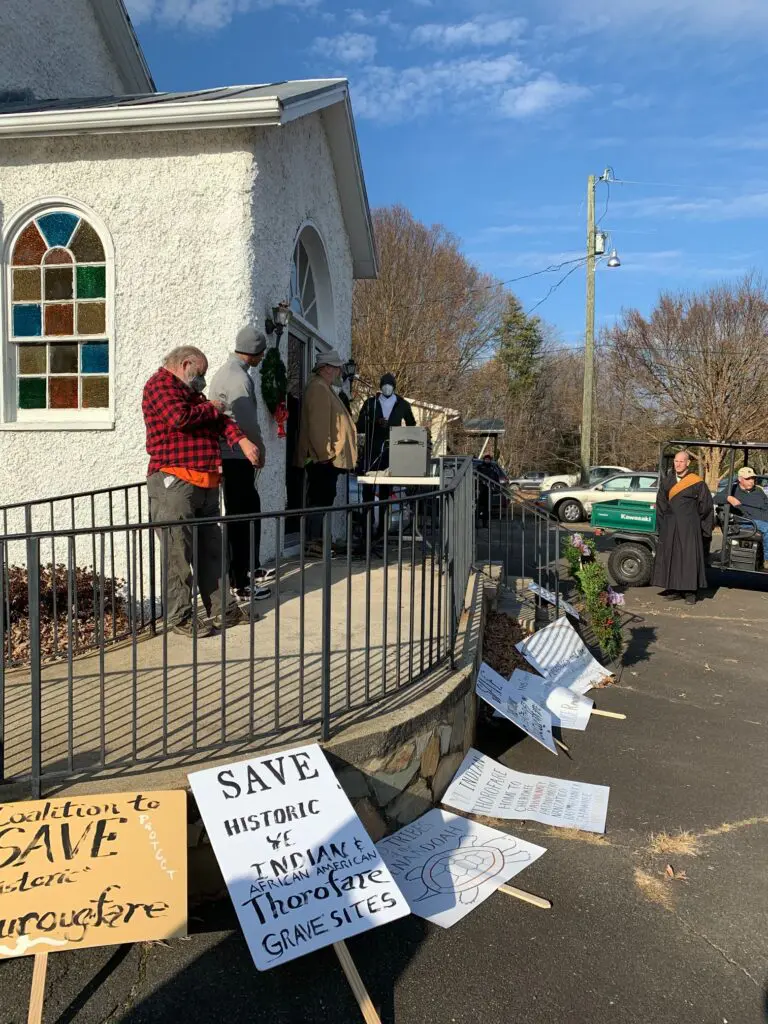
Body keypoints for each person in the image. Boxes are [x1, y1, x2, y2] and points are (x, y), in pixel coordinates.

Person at [142, 345, 260, 636]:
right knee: (177, 554)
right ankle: (180, 616)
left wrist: (243, 442)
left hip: (205, 483)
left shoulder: (191, 395)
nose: (203, 381)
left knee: (212, 552)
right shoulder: (159, 386)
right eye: (201, 373)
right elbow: (179, 419)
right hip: (174, 482)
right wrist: (212, 407)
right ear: (185, 364)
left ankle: (223, 610)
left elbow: (219, 421)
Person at [209, 326, 275, 601]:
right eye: (260, 354)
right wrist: (258, 450)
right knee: (241, 518)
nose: (261, 359)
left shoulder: (228, 372)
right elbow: (246, 423)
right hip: (237, 456)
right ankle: (240, 584)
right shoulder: (238, 379)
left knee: (246, 512)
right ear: (253, 353)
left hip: (233, 455)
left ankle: (246, 570)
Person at [295, 349, 357, 556]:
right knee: (319, 500)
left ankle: (320, 540)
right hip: (321, 459)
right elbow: (318, 426)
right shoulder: (318, 388)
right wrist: (325, 455)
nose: (340, 370)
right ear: (327, 369)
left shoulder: (324, 387)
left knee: (324, 498)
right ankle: (313, 543)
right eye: (336, 367)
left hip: (324, 458)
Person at [356, 373, 416, 537]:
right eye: (384, 384)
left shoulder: (402, 404)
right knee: (367, 492)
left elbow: (411, 424)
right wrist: (374, 422)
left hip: (391, 451)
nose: (387, 387)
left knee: (385, 492)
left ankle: (382, 531)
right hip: (371, 451)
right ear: (380, 386)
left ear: (394, 386)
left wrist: (403, 439)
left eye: (390, 384)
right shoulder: (371, 403)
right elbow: (359, 425)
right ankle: (366, 531)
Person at [651, 450, 714, 605]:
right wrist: (663, 526)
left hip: (690, 528)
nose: (678, 464)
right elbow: (661, 505)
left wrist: (702, 529)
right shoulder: (667, 482)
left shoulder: (697, 483)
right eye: (676, 461)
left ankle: (690, 592)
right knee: (672, 557)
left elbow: (705, 507)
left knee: (688, 559)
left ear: (688, 463)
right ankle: (675, 589)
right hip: (671, 526)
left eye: (681, 461)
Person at [714, 466, 768, 568]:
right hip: (746, 521)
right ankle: (767, 560)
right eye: (748, 479)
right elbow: (716, 498)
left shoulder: (758, 491)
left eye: (753, 478)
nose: (751, 481)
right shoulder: (733, 489)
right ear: (740, 479)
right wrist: (729, 498)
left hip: (762, 520)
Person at [475, 452, 502, 528]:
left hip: (489, 489)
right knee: (479, 507)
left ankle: (485, 523)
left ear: (490, 460)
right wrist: (476, 488)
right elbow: (476, 477)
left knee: (487, 508)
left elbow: (496, 479)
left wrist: (496, 487)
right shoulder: (480, 467)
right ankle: (477, 523)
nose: (487, 461)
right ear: (484, 460)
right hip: (481, 489)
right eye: (486, 459)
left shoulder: (492, 468)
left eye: (488, 459)